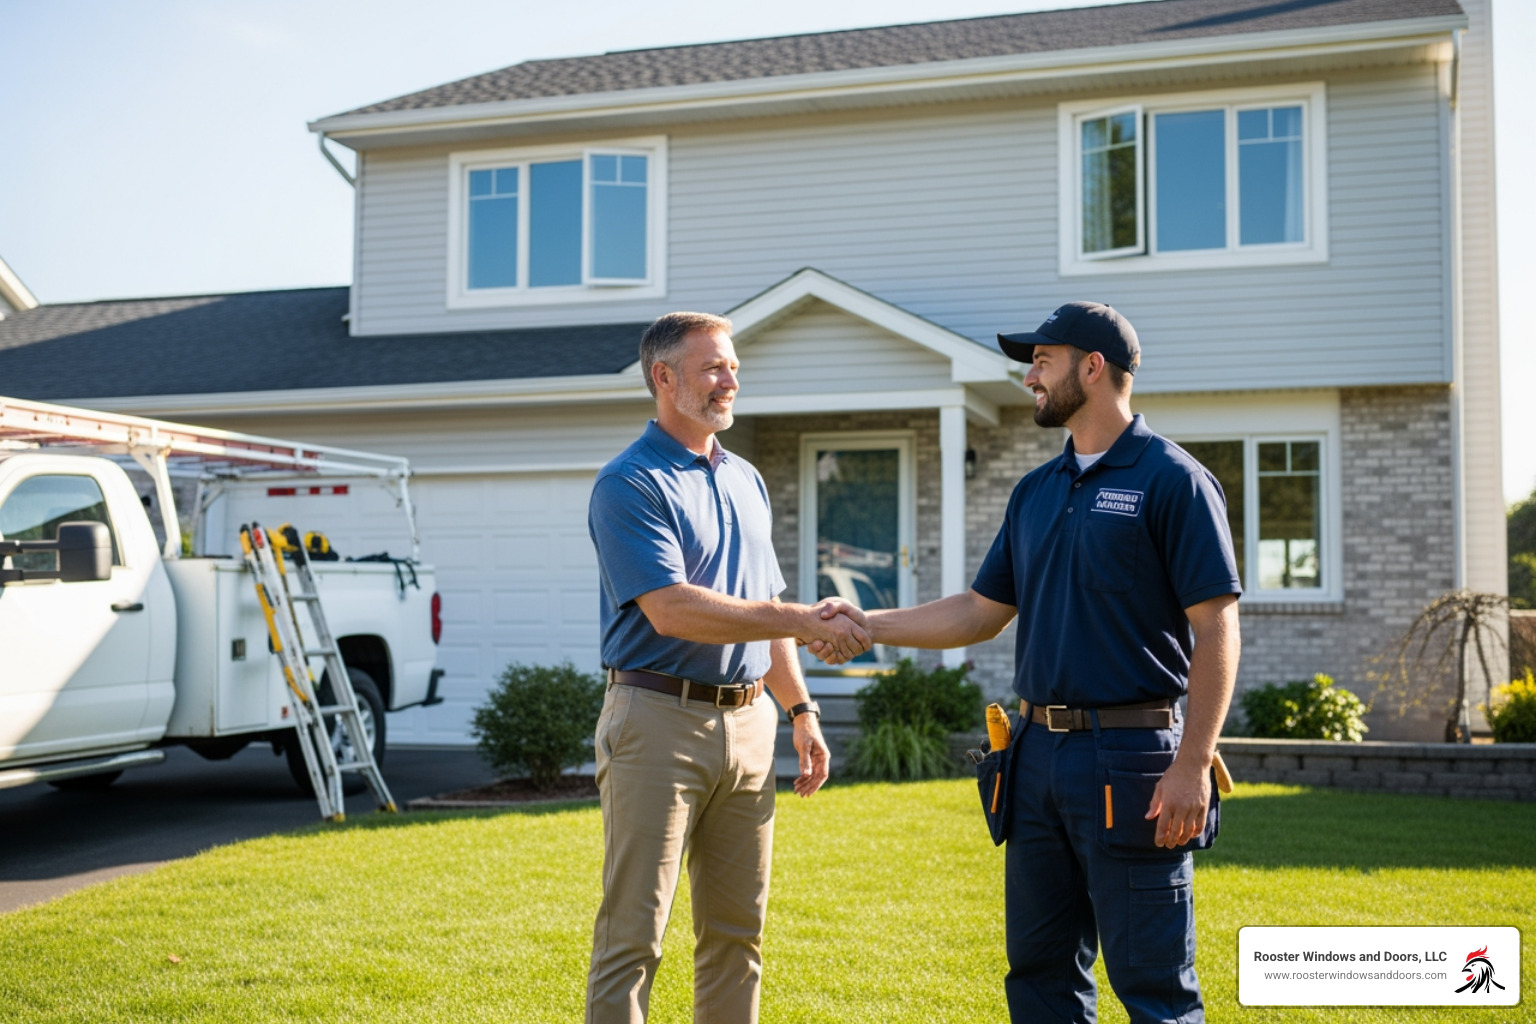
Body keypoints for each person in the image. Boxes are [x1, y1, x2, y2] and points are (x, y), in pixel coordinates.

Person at [812, 301, 1241, 1023]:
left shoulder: (1173, 480)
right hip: (1035, 756)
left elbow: (1218, 628)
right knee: (1039, 977)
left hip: (1134, 758)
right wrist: (865, 622)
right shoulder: (1036, 493)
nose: (1029, 377)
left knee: (1155, 988)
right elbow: (981, 611)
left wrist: (1193, 761)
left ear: (1093, 367)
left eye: (1042, 360)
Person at [585, 310, 870, 1024]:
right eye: (714, 367)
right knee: (634, 939)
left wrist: (801, 711)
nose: (730, 380)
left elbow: (761, 603)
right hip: (656, 723)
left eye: (733, 366)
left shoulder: (745, 479)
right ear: (664, 377)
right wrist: (803, 621)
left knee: (738, 936)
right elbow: (673, 609)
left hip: (751, 727)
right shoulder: (629, 483)